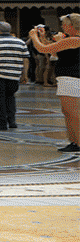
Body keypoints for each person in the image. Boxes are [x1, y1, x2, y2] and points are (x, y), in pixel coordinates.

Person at [28, 14, 80, 153]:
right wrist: (45, 38)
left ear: (71, 26)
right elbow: (54, 53)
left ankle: (78, 142)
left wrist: (34, 37)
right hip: (67, 78)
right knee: (68, 111)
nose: (62, 27)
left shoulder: (75, 39)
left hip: (72, 78)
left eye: (64, 24)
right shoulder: (70, 40)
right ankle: (74, 141)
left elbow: (43, 49)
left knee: (72, 112)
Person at [0, 23, 29, 131]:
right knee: (10, 97)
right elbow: (25, 59)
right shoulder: (20, 42)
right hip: (14, 75)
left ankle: (2, 123)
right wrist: (24, 74)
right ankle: (12, 121)